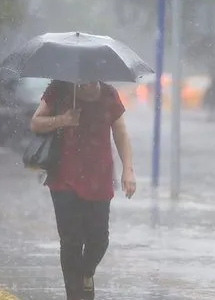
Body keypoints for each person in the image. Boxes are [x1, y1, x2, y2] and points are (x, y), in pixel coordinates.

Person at [30, 80, 136, 300]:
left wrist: (128, 170)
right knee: (71, 241)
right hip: (64, 177)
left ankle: (86, 273)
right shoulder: (59, 89)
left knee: (99, 240)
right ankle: (75, 295)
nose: (88, 79)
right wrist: (63, 120)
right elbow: (36, 123)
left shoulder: (108, 94)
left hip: (100, 177)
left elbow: (121, 133)